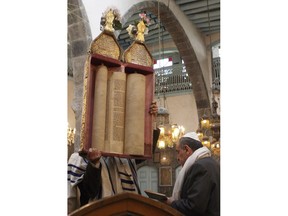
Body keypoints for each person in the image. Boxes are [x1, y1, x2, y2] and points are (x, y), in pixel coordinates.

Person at [67, 102, 160, 213]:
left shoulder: (123, 156)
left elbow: (144, 152)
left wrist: (151, 121)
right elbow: (88, 193)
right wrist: (93, 164)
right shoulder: (79, 158)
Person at [165, 132, 220, 216]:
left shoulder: (200, 167)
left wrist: (171, 202)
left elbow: (194, 207)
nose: (177, 158)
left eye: (178, 152)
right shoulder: (211, 163)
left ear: (187, 149)